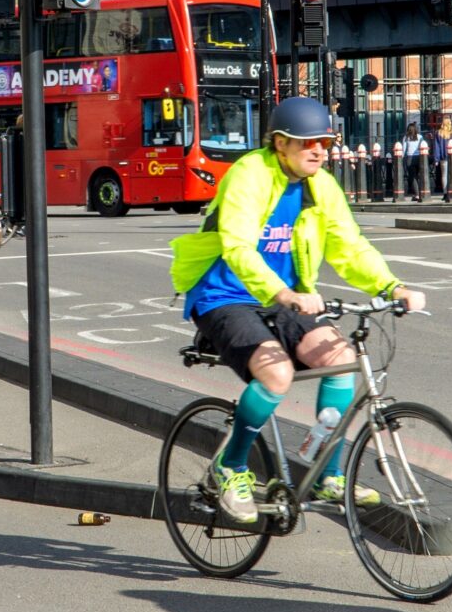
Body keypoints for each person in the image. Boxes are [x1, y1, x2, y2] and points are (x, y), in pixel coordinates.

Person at [168, 96, 427, 523]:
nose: (320, 150)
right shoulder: (249, 175)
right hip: (224, 295)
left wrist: (391, 285)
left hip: (283, 295)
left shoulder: (320, 185)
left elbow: (349, 245)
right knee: (277, 373)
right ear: (281, 144)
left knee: (342, 359)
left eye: (325, 140)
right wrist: (282, 294)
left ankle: (328, 472)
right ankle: (230, 466)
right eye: (309, 143)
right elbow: (236, 246)